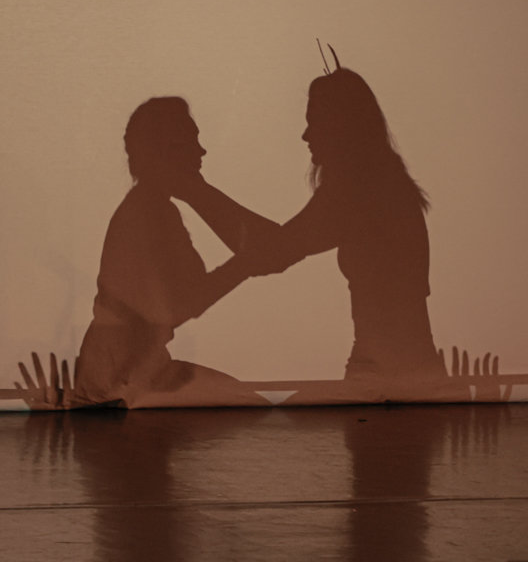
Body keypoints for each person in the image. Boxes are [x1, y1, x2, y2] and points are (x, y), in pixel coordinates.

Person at [178, 68, 453, 400]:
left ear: (340, 127)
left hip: (389, 373)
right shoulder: (385, 185)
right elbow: (273, 249)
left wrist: (195, 191)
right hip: (406, 367)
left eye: (314, 122)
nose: (306, 135)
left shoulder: (359, 191)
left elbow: (272, 253)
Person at [72, 97, 272, 408]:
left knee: (246, 403)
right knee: (248, 405)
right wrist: (243, 265)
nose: (201, 151)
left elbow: (179, 302)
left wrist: (244, 263)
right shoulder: (148, 212)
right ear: (166, 150)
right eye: (191, 141)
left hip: (127, 369)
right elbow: (176, 308)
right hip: (123, 377)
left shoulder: (152, 209)